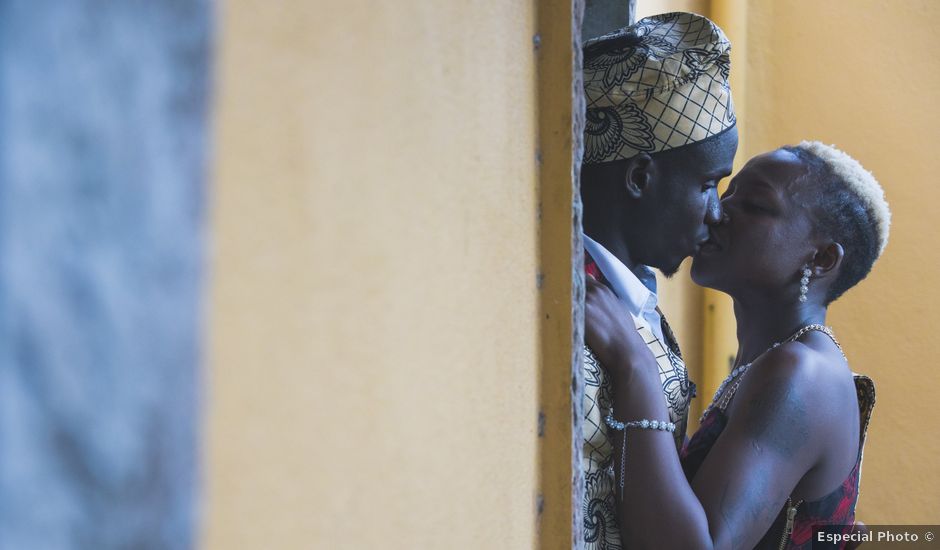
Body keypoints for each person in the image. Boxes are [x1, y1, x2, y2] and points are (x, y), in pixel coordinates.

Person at [584, 141, 889, 549]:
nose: (717, 212)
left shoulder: (802, 372)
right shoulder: (773, 363)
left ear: (821, 259)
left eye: (756, 206)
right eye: (724, 193)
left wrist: (635, 367)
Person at [577, 12, 738, 548]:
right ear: (641, 178)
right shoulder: (571, 306)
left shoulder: (626, 299)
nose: (716, 214)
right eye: (708, 185)